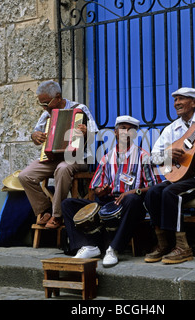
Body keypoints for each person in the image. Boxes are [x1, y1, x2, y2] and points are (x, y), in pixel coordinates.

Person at [61, 115, 160, 267]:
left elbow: (154, 186)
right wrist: (101, 191)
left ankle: (113, 249)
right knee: (68, 204)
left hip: (131, 205)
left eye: (130, 130)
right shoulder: (106, 158)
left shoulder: (143, 156)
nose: (126, 132)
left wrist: (133, 192)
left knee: (132, 200)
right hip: (109, 202)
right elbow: (97, 189)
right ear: (115, 132)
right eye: (122, 128)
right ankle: (87, 246)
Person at [145, 87, 195, 264]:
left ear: (194, 102)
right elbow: (152, 157)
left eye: (181, 99)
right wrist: (167, 155)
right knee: (152, 193)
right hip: (180, 176)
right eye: (175, 100)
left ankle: (183, 246)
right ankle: (164, 243)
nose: (177, 103)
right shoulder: (171, 129)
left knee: (170, 193)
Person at [18, 80, 98, 229]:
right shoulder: (46, 115)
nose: (44, 108)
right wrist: (35, 136)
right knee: (25, 176)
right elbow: (36, 134)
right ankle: (46, 210)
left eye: (47, 103)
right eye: (41, 104)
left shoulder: (80, 109)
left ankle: (57, 215)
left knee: (62, 168)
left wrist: (87, 133)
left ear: (59, 97)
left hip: (76, 157)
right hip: (52, 158)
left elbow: (94, 135)